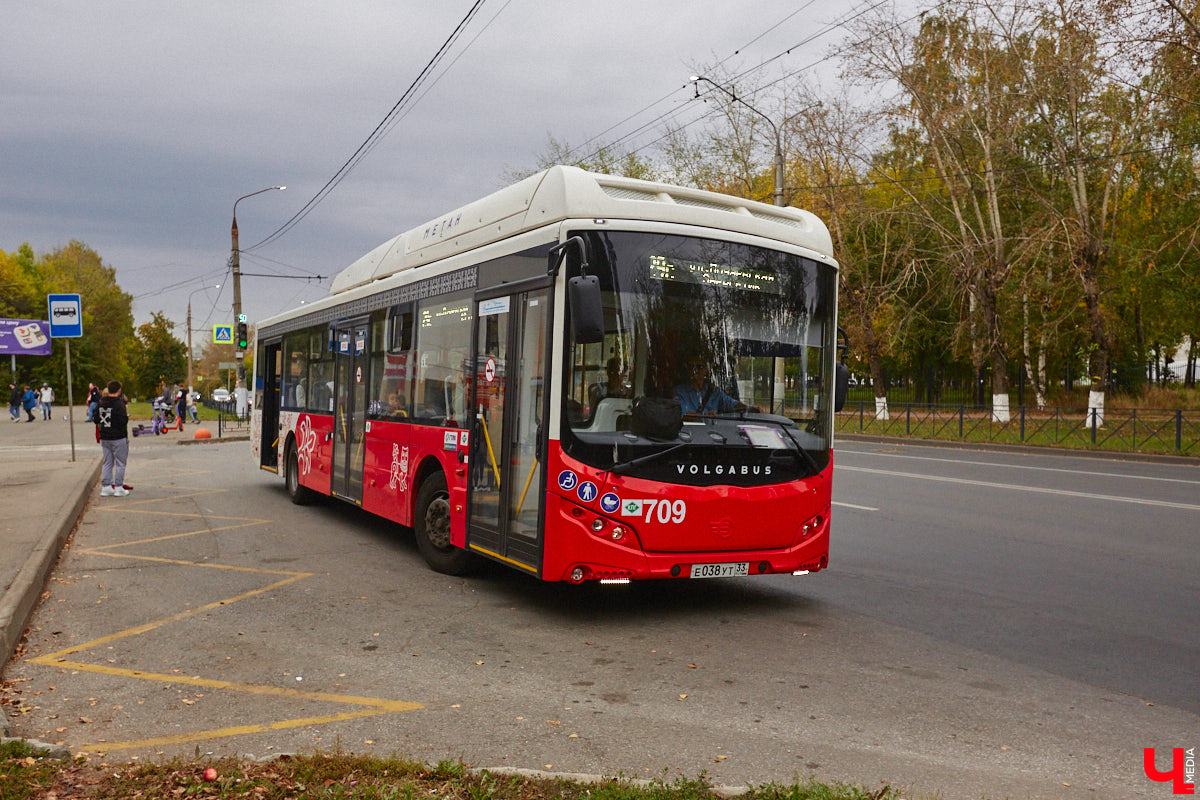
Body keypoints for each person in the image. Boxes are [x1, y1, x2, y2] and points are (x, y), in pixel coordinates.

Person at [673, 356, 747, 415]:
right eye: (692, 367)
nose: (695, 371)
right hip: (689, 432)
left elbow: (732, 404)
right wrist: (704, 416)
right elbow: (681, 414)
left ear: (706, 370)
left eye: (699, 367)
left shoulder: (714, 391)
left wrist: (751, 408)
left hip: (712, 432)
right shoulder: (680, 392)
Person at [95, 380, 130, 496]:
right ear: (119, 390)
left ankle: (106, 486)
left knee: (107, 462)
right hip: (118, 437)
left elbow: (96, 419)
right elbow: (123, 420)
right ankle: (119, 487)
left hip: (105, 437)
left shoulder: (101, 403)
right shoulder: (119, 404)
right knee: (120, 462)